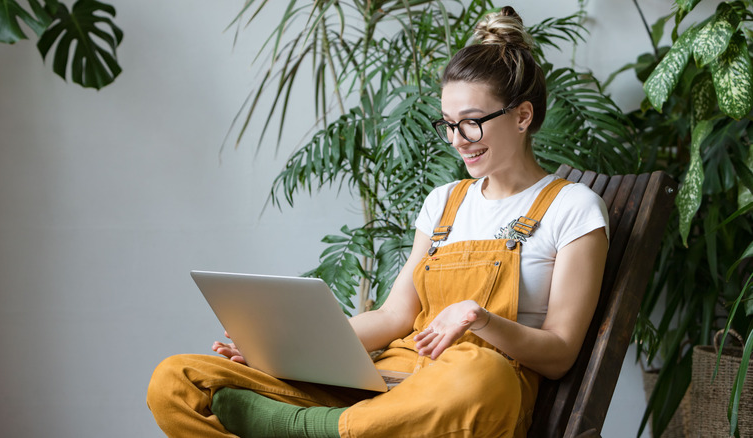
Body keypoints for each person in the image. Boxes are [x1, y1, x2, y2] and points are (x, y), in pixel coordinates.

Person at [147, 6, 609, 438]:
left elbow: (560, 353)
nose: (457, 140)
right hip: (393, 382)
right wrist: (279, 351)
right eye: (447, 124)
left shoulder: (572, 208)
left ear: (523, 115)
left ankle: (312, 429)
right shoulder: (443, 202)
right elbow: (394, 316)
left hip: (465, 390)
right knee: (177, 380)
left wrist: (482, 321)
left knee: (481, 372)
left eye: (470, 122)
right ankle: (345, 427)